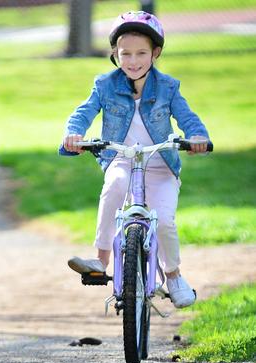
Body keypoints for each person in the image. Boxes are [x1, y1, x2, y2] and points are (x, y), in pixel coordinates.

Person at [59, 11, 210, 308]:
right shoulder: (105, 84)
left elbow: (188, 118)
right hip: (122, 159)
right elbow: (83, 112)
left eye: (141, 53)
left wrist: (197, 137)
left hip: (159, 165)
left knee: (164, 220)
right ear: (115, 54)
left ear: (155, 53)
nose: (133, 60)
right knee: (114, 187)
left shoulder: (168, 87)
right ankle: (101, 259)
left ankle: (174, 275)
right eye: (125, 53)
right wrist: (74, 133)